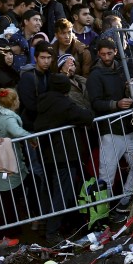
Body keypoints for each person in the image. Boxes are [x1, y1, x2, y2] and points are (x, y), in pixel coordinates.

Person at [34, 73, 94, 244]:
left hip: (48, 155)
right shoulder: (62, 103)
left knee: (51, 191)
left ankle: (55, 226)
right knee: (62, 193)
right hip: (63, 155)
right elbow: (84, 116)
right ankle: (52, 232)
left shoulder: (44, 101)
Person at [87, 38, 133, 209]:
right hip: (109, 130)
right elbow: (95, 103)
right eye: (103, 54)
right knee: (107, 176)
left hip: (127, 128)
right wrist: (116, 104)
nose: (106, 57)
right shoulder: (95, 75)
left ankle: (124, 200)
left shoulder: (123, 69)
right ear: (98, 54)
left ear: (116, 52)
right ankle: (104, 211)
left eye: (109, 53)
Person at [0, 88, 34, 243]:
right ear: (14, 102)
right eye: (18, 99)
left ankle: (7, 230)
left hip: (0, 160)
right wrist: (32, 138)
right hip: (8, 162)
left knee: (5, 197)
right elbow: (18, 132)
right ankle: (11, 231)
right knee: (9, 198)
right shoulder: (8, 119)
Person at [16, 41, 54, 129]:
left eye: (49, 58)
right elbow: (30, 105)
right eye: (43, 58)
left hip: (44, 123)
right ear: (35, 58)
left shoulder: (49, 74)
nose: (46, 61)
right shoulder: (27, 77)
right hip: (31, 125)